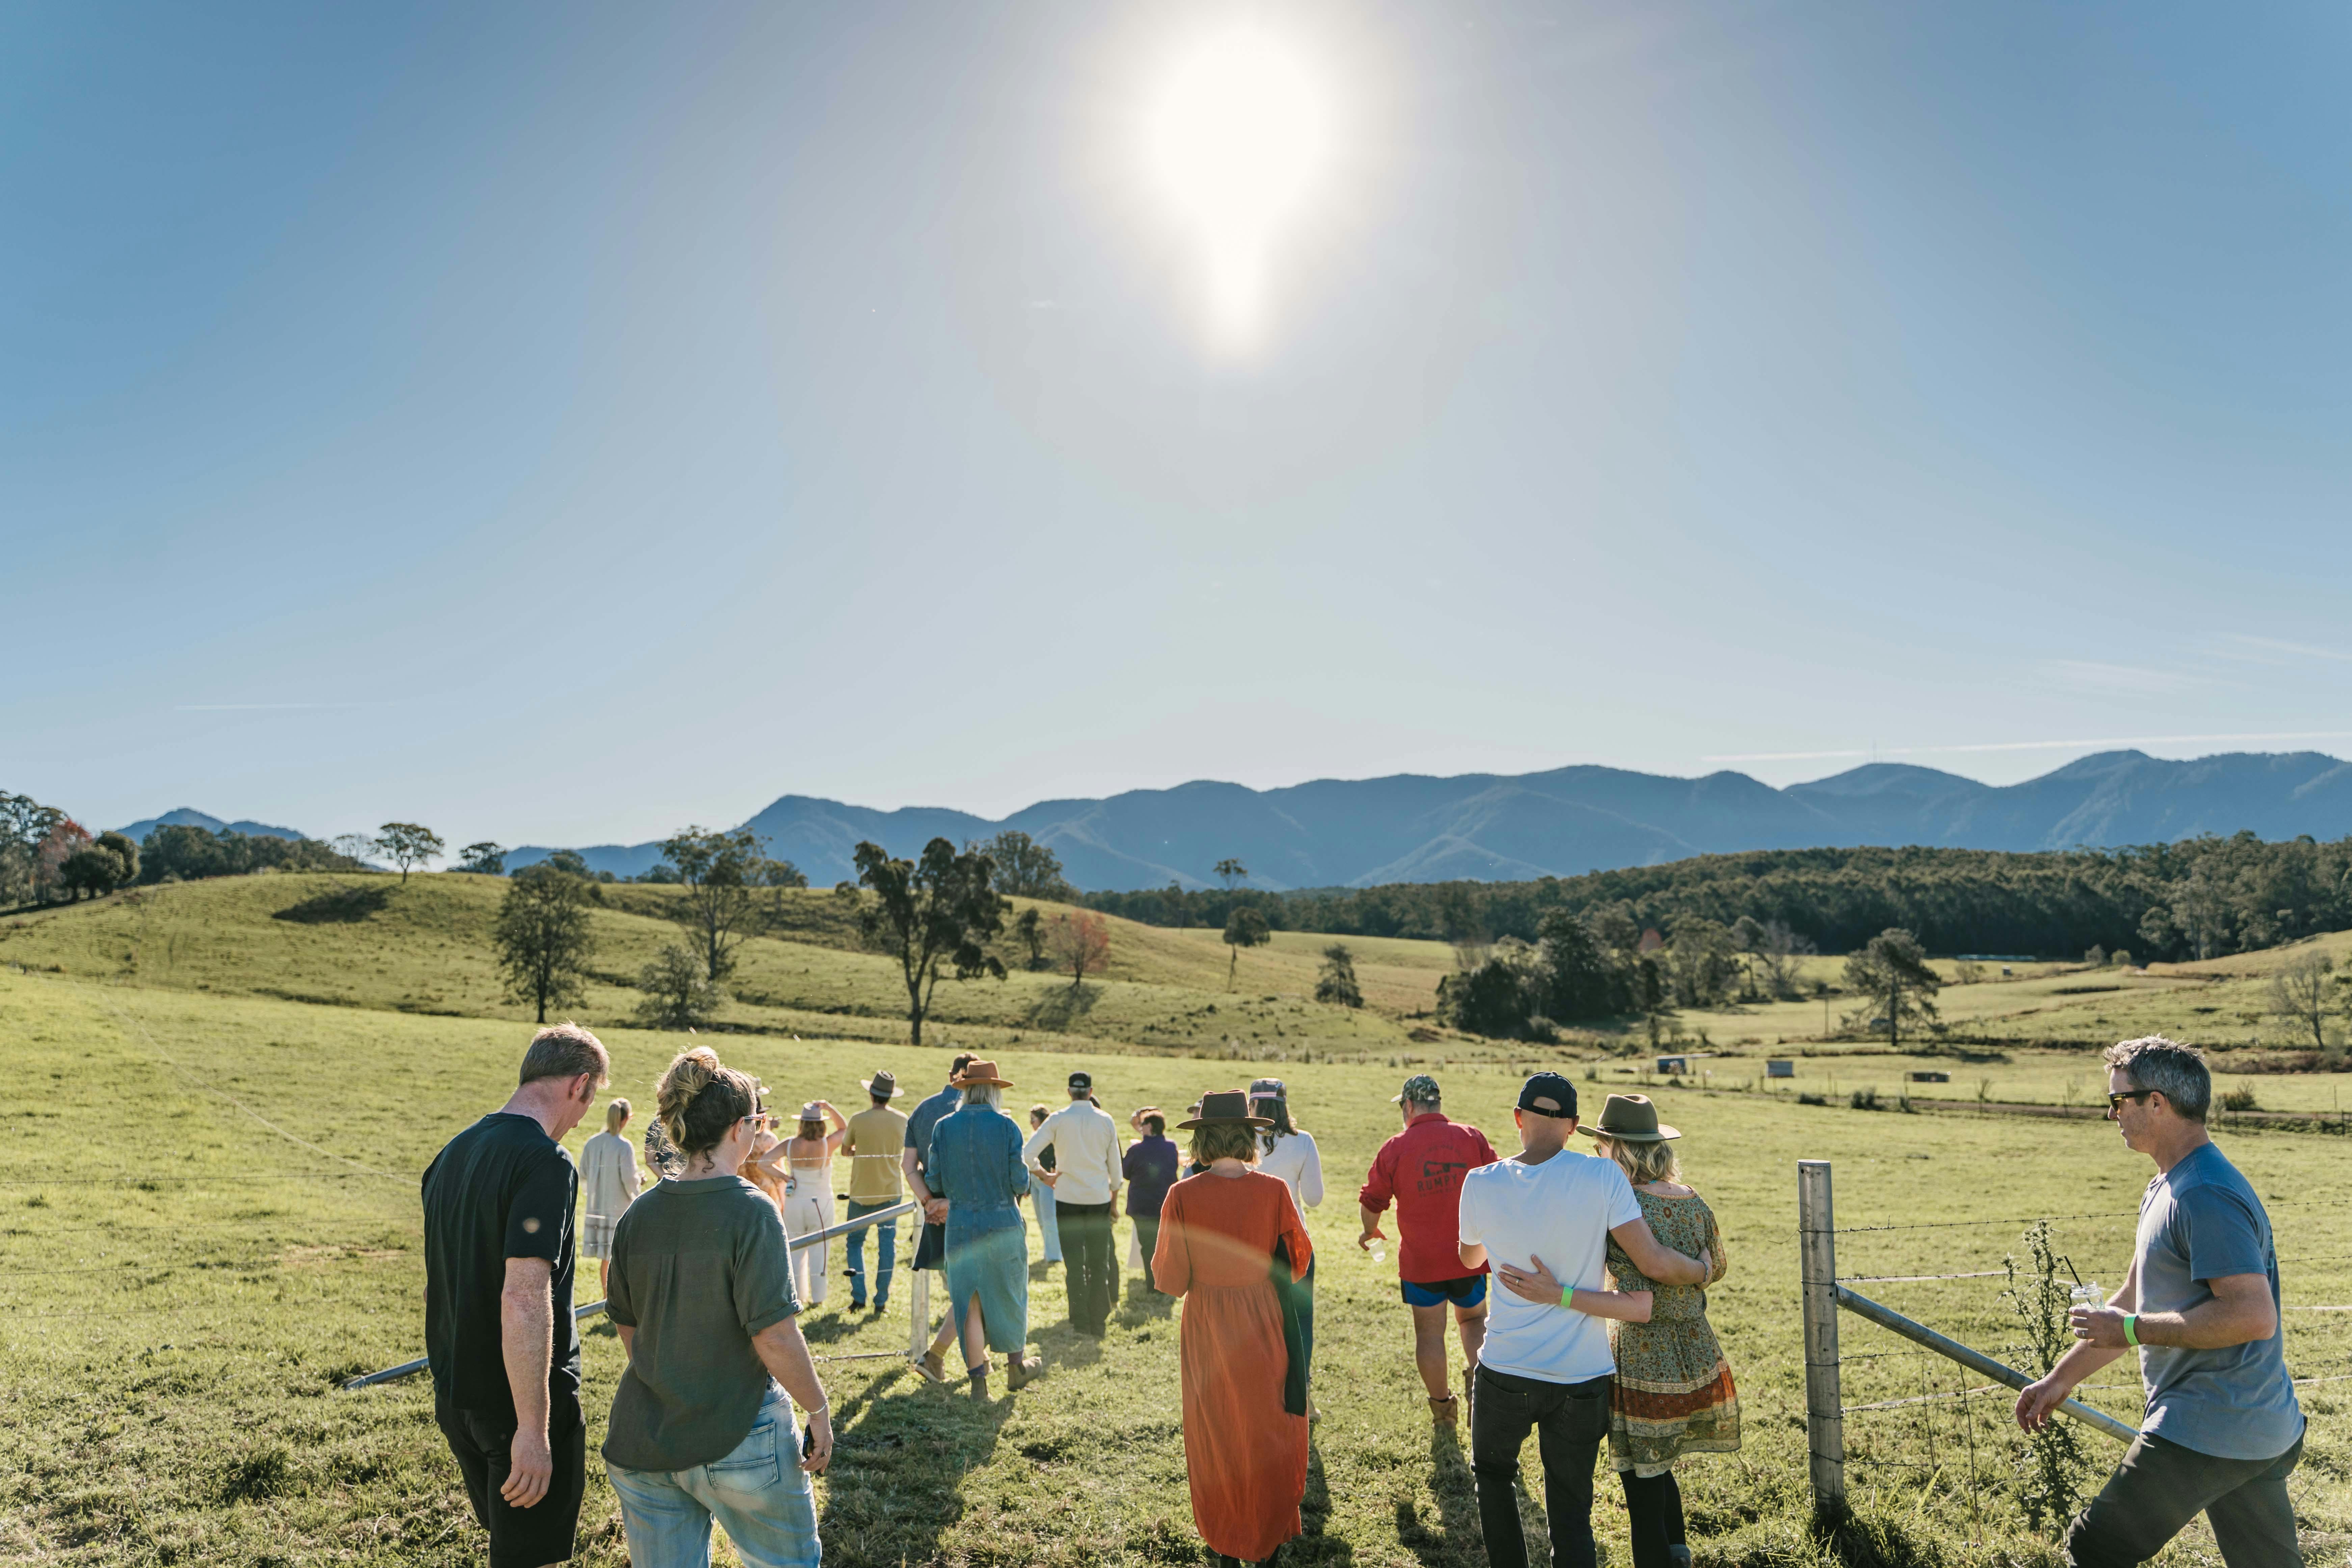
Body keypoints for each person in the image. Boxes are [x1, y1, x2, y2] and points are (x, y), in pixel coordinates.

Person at [2016, 1036, 2305, 1568]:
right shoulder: (2168, 1186)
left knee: (2095, 1548)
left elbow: (2252, 1315)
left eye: (2120, 1100)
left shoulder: (2203, 1193)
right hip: (2254, 1425)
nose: (2112, 1114)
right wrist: (2062, 1378)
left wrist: (2130, 1330)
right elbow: (2130, 1301)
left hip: (2206, 1426)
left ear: (2158, 1103)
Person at [1459, 1074, 1711, 1568]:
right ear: (1574, 1127)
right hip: (1583, 1376)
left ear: (1518, 1119)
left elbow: (1469, 1259)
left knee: (1493, 1477)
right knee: (1572, 1508)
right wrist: (1703, 1269)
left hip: (1507, 1367)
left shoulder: (1481, 1181)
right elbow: (1654, 1263)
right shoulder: (1604, 1178)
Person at [602, 1047, 833, 1568]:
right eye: (759, 1120)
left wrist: (669, 1378)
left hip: (646, 1440)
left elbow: (627, 1323)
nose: (761, 1128)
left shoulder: (639, 1213)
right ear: (739, 1129)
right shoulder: (752, 1209)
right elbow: (773, 1336)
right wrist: (818, 1410)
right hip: (741, 1435)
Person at [421, 1022, 608, 1568]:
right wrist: (533, 1427)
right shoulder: (544, 1162)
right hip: (516, 1406)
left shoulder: (451, 1153)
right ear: (580, 1085)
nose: (581, 1119)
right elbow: (525, 1296)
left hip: (459, 1396)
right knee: (530, 1558)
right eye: (588, 1101)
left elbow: (439, 1282)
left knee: (508, 1544)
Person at [1152, 1090, 1314, 1568]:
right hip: (1264, 1321)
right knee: (1266, 1429)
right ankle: (1265, 1537)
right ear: (1249, 1136)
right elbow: (1297, 1264)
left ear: (1201, 1139)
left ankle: (1224, 1538)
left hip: (1208, 1326)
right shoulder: (1274, 1191)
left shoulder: (1181, 1195)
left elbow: (1170, 1280)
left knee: (1217, 1432)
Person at [1580, 1095, 1737, 1568]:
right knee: (1661, 1463)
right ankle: (1678, 1553)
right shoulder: (1693, 1199)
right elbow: (1719, 1264)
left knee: (1640, 1474)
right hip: (1694, 1346)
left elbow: (1646, 1266)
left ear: (1618, 1149)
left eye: (1601, 1146)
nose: (1597, 1155)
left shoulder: (1622, 1203)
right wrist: (1701, 1272)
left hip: (1643, 1351)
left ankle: (1657, 1560)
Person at [1358, 1072, 1499, 1424]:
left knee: (1429, 1333)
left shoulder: (1394, 1147)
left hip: (1421, 1263)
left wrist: (1369, 1230)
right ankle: (1481, 1395)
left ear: (1408, 1106)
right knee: (1474, 1320)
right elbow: (1498, 1181)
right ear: (1437, 1103)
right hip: (1470, 1256)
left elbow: (1372, 1200)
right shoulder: (1470, 1137)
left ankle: (1442, 1412)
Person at [926, 1059, 1045, 1399]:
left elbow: (934, 1179)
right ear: (994, 1091)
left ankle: (978, 1382)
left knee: (969, 1304)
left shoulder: (943, 1127)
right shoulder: (1007, 1128)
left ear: (965, 1089)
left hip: (961, 1225)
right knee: (1009, 1296)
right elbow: (1019, 1180)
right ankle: (1015, 1367)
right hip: (1003, 1223)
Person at [1023, 1070, 1124, 1336]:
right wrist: (1114, 1192)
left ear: (1070, 1092)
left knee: (1074, 1263)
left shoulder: (1058, 1119)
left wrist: (1044, 1174)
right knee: (1099, 1262)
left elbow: (1027, 1154)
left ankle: (1079, 1321)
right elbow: (1116, 1167)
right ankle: (1098, 1323)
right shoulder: (1105, 1120)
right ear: (1091, 1092)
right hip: (1097, 1198)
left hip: (1067, 1197)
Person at [1251, 1078, 1325, 1413]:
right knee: (1300, 1320)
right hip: (1294, 1241)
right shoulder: (1303, 1141)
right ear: (1284, 1104)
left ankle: (1263, 1390)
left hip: (1249, 1242)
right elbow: (1313, 1198)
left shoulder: (1240, 1140)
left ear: (1251, 1105)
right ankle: (1301, 1392)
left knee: (1256, 1320)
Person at [903, 1053, 976, 1377]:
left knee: (962, 1288)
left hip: (935, 1213)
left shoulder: (922, 1110)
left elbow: (908, 1167)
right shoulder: (978, 1112)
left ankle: (977, 1361)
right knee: (972, 1291)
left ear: (951, 1075)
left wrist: (930, 1202)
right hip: (970, 1211)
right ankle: (935, 1356)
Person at [842, 1071, 908, 1314]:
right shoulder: (902, 1120)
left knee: (855, 1243)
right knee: (887, 1247)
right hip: (891, 1192)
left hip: (861, 1192)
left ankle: (859, 1297)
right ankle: (881, 1301)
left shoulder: (858, 1119)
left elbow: (846, 1150)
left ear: (871, 1094)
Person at [777, 1100, 846, 1308]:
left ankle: (797, 1296)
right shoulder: (827, 1144)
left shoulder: (790, 1143)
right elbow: (844, 1128)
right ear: (821, 1124)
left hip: (795, 1203)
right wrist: (830, 1108)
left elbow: (764, 1161)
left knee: (795, 1249)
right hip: (821, 1204)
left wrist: (787, 1177)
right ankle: (818, 1298)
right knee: (820, 1250)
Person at [580, 1097, 644, 1298]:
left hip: (599, 1207)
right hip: (620, 1208)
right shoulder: (623, 1146)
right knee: (621, 1255)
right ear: (625, 1119)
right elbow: (628, 1179)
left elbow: (583, 1174)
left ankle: (608, 1297)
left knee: (606, 1258)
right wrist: (638, 1183)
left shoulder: (593, 1143)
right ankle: (621, 1299)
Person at [1122, 1108, 1180, 1295]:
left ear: (1149, 1127)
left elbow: (1125, 1173)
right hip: (1165, 1202)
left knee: (1148, 1246)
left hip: (1142, 1205)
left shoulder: (1136, 1150)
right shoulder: (1171, 1147)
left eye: (1142, 1125)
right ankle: (1167, 1283)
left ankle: (1153, 1285)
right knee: (1165, 1244)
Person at [1026, 1104, 1065, 1266]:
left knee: (1049, 1219)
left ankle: (1055, 1255)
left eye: (1033, 1120)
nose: (1031, 1124)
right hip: (1035, 1181)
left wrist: (1053, 1176)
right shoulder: (1035, 1137)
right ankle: (1048, 1252)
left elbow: (1056, 1159)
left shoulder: (1051, 1138)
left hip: (1047, 1182)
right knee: (1041, 1219)